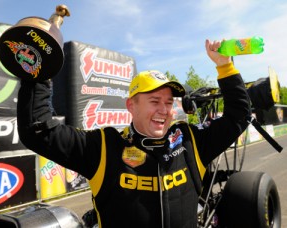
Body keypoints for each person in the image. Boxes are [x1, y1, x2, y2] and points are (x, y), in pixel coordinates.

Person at [17, 39, 251, 228]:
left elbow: (238, 117)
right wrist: (40, 68)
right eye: (154, 101)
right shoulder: (105, 147)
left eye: (169, 102)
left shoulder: (190, 140)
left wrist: (225, 66)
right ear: (131, 106)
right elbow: (37, 131)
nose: (164, 110)